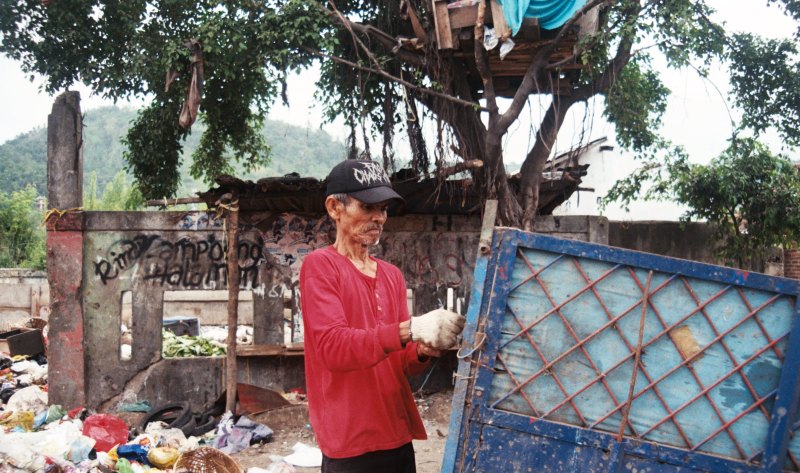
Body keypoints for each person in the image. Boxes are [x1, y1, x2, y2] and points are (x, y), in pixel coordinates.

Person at [299, 159, 466, 473]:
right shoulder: (320, 267)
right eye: (367, 207)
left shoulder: (391, 276)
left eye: (385, 209)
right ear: (335, 207)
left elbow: (400, 361)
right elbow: (334, 350)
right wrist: (411, 328)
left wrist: (423, 349)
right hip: (350, 438)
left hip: (395, 430)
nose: (379, 217)